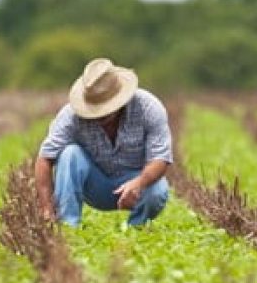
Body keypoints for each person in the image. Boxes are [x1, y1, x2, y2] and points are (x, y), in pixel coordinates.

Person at [35, 57, 173, 227]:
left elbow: (160, 159)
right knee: (70, 154)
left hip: (136, 182)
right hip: (96, 185)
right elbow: (44, 158)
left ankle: (136, 229)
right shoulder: (71, 115)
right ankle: (67, 227)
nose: (100, 115)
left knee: (158, 190)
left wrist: (138, 183)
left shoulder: (148, 108)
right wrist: (46, 209)